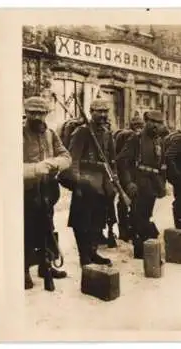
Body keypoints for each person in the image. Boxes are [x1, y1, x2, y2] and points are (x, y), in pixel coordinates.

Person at [23, 96, 71, 289]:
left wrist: (53, 164)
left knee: (47, 228)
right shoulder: (17, 133)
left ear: (46, 114)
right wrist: (35, 168)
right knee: (25, 231)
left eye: (41, 113)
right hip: (26, 192)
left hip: (48, 191)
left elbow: (66, 156)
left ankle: (46, 266)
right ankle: (24, 269)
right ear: (26, 113)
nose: (37, 117)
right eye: (33, 112)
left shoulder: (51, 134)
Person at [66, 99, 116, 267]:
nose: (102, 115)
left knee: (97, 220)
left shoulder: (107, 133)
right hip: (85, 182)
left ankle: (93, 252)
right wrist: (76, 182)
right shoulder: (82, 132)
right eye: (98, 111)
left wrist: (112, 181)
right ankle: (84, 256)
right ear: (91, 112)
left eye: (105, 111)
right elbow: (73, 159)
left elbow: (111, 159)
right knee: (82, 221)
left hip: (101, 183)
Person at [117, 110, 166, 258]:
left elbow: (161, 165)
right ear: (146, 121)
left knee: (146, 214)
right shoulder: (135, 139)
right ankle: (140, 250)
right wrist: (128, 182)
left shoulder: (158, 141)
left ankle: (147, 244)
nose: (156, 126)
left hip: (152, 183)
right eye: (153, 122)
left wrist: (161, 184)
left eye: (159, 123)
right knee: (138, 216)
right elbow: (123, 162)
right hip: (138, 182)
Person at [113, 115, 146, 242]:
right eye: (136, 125)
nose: (138, 128)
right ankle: (124, 231)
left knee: (133, 202)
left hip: (133, 172)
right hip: (125, 171)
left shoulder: (138, 137)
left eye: (140, 125)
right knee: (123, 202)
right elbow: (120, 156)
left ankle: (130, 229)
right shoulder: (127, 135)